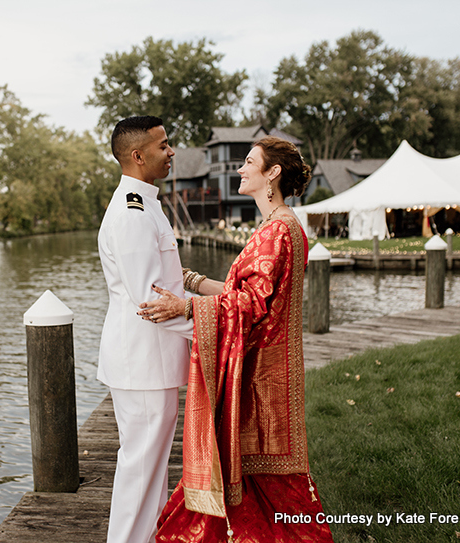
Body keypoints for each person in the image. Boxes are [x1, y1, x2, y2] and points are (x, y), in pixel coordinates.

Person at [138, 136, 334, 542]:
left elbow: (250, 304)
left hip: (261, 370)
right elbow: (243, 291)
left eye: (248, 162)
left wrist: (187, 308)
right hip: (272, 362)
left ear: (272, 173)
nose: (240, 170)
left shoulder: (274, 232)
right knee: (263, 474)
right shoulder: (284, 225)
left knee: (259, 470)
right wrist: (192, 281)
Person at [97, 115, 194, 543]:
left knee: (150, 468)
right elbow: (150, 299)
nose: (171, 152)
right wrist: (218, 323)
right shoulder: (133, 212)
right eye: (164, 145)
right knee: (140, 469)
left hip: (151, 360)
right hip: (143, 361)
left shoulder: (145, 202)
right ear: (138, 156)